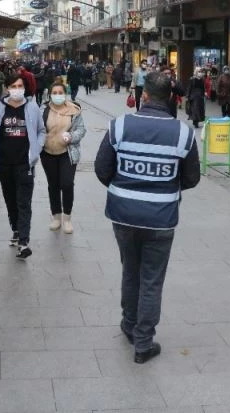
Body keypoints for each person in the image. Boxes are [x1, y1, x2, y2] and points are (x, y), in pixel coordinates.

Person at [94, 72, 201, 364]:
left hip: (123, 215)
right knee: (152, 279)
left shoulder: (119, 125)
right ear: (170, 98)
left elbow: (102, 169)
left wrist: (125, 189)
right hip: (161, 219)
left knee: (131, 270)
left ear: (143, 96)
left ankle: (129, 325)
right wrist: (165, 187)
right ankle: (143, 342)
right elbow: (192, 178)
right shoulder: (183, 133)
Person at [0, 73, 47, 259]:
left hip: (25, 164)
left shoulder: (32, 108)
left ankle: (24, 242)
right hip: (4, 164)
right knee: (10, 200)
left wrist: (37, 147)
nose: (17, 89)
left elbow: (41, 130)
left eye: (20, 86)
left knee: (23, 202)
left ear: (24, 88)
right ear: (7, 88)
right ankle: (16, 230)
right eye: (13, 86)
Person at [40, 81, 87, 234]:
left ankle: (67, 218)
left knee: (66, 184)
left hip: (67, 153)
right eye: (55, 93)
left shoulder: (74, 110)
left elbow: (81, 129)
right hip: (48, 153)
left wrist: (72, 136)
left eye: (61, 93)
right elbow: (37, 129)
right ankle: (56, 216)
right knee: (53, 185)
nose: (58, 96)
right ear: (50, 94)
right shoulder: (44, 110)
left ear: (65, 93)